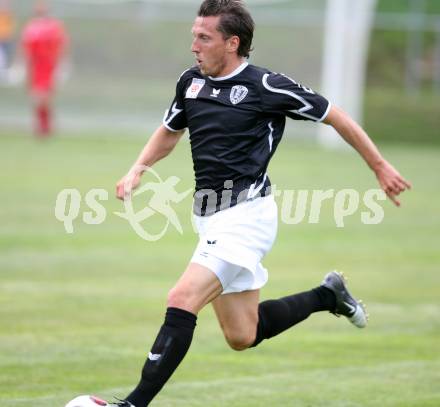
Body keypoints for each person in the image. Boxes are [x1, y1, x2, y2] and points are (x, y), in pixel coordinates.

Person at [86, 1, 411, 406]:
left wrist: (379, 167)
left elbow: (335, 116)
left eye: (204, 38)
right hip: (208, 218)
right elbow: (170, 130)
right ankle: (328, 295)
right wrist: (138, 167)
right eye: (194, 36)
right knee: (243, 334)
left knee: (181, 298)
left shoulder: (267, 86)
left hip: (246, 216)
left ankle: (133, 404)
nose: (194, 46)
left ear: (232, 43)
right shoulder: (190, 83)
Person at [21, 1, 68, 137]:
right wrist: (23, 65)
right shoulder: (30, 27)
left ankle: (47, 126)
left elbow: (62, 45)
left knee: (45, 97)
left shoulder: (54, 26)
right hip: (35, 66)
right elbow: (25, 48)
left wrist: (62, 64)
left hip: (49, 65)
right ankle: (40, 126)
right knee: (35, 97)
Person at [0, 0, 15, 80]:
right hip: (1, 40)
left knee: (7, 56)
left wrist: (9, 35)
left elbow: (10, 27)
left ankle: (5, 72)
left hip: (6, 39)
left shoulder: (8, 15)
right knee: (2, 57)